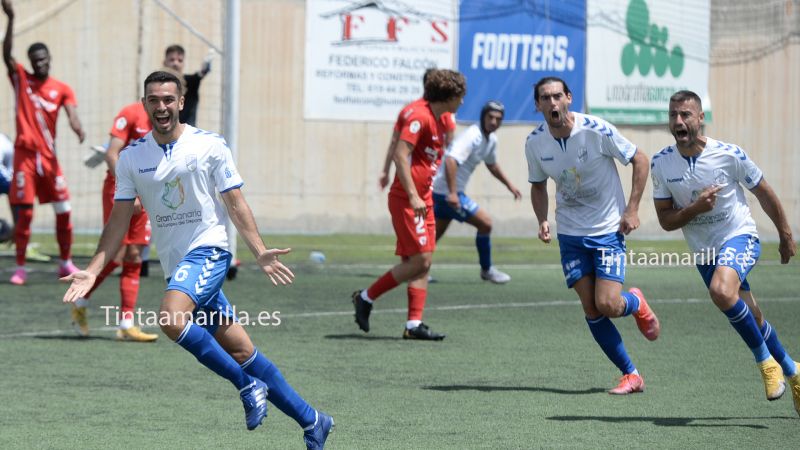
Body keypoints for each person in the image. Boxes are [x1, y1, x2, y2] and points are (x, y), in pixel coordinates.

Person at [62, 71, 333, 446]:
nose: (162, 107)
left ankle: (246, 385)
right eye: (154, 100)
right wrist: (92, 271)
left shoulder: (210, 145)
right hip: (179, 269)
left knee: (171, 318)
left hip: (210, 250)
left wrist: (259, 251)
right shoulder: (131, 159)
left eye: (168, 99)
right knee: (242, 350)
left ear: (181, 102)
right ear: (144, 104)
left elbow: (235, 203)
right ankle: (312, 420)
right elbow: (118, 221)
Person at [651, 90, 799, 415]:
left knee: (721, 290)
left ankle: (766, 363)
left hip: (739, 236)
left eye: (686, 114)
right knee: (753, 315)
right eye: (674, 114)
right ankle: (793, 370)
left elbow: (764, 192)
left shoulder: (729, 154)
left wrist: (786, 234)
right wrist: (695, 207)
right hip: (704, 252)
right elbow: (665, 221)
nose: (678, 121)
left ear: (700, 118)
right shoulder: (661, 164)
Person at [525, 76, 659, 394]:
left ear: (569, 98)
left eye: (558, 96)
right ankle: (631, 374)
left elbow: (640, 159)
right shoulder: (535, 142)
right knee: (591, 308)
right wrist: (542, 219)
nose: (552, 102)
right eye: (545, 98)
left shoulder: (596, 130)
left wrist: (633, 209)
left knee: (609, 304)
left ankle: (635, 302)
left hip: (607, 231)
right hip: (570, 234)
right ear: (537, 105)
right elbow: (538, 184)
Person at [352, 69, 467, 340]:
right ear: (448, 96)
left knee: (421, 262)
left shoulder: (441, 118)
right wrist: (414, 195)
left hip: (423, 199)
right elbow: (400, 154)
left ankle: (414, 324)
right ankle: (366, 297)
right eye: (460, 96)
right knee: (421, 259)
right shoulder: (419, 115)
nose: (462, 102)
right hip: (408, 199)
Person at [3, 0, 85, 285]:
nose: (41, 63)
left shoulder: (61, 88)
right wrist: (11, 19)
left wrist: (77, 127)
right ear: (31, 62)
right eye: (36, 60)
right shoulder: (21, 79)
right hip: (24, 156)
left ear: (50, 59)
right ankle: (21, 267)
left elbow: (72, 113)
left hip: (49, 158)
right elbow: (7, 54)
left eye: (44, 59)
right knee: (24, 215)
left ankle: (65, 262)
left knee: (64, 210)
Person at [69, 101, 157, 342]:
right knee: (116, 252)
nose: (162, 103)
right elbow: (111, 154)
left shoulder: (169, 121)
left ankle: (126, 324)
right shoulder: (130, 114)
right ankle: (81, 298)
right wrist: (132, 188)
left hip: (148, 191)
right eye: (155, 97)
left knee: (135, 255)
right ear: (146, 96)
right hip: (120, 188)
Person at [431, 100, 521, 284]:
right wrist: (454, 193)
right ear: (483, 117)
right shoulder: (472, 135)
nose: (494, 122)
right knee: (485, 224)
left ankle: (414, 269)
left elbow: (492, 165)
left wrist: (510, 185)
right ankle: (486, 270)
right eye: (490, 117)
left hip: (444, 193)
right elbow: (450, 160)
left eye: (498, 119)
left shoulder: (491, 140)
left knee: (432, 238)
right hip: (446, 194)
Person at [378, 67, 456, 190]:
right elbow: (450, 147)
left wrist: (385, 171)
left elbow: (394, 143)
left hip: (411, 178)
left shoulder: (408, 109)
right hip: (429, 179)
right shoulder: (445, 113)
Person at [163, 44, 211, 127]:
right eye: (172, 60)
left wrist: (205, 68)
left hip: (187, 133)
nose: (175, 63)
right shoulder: (157, 84)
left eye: (180, 60)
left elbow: (199, 75)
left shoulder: (190, 82)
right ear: (164, 62)